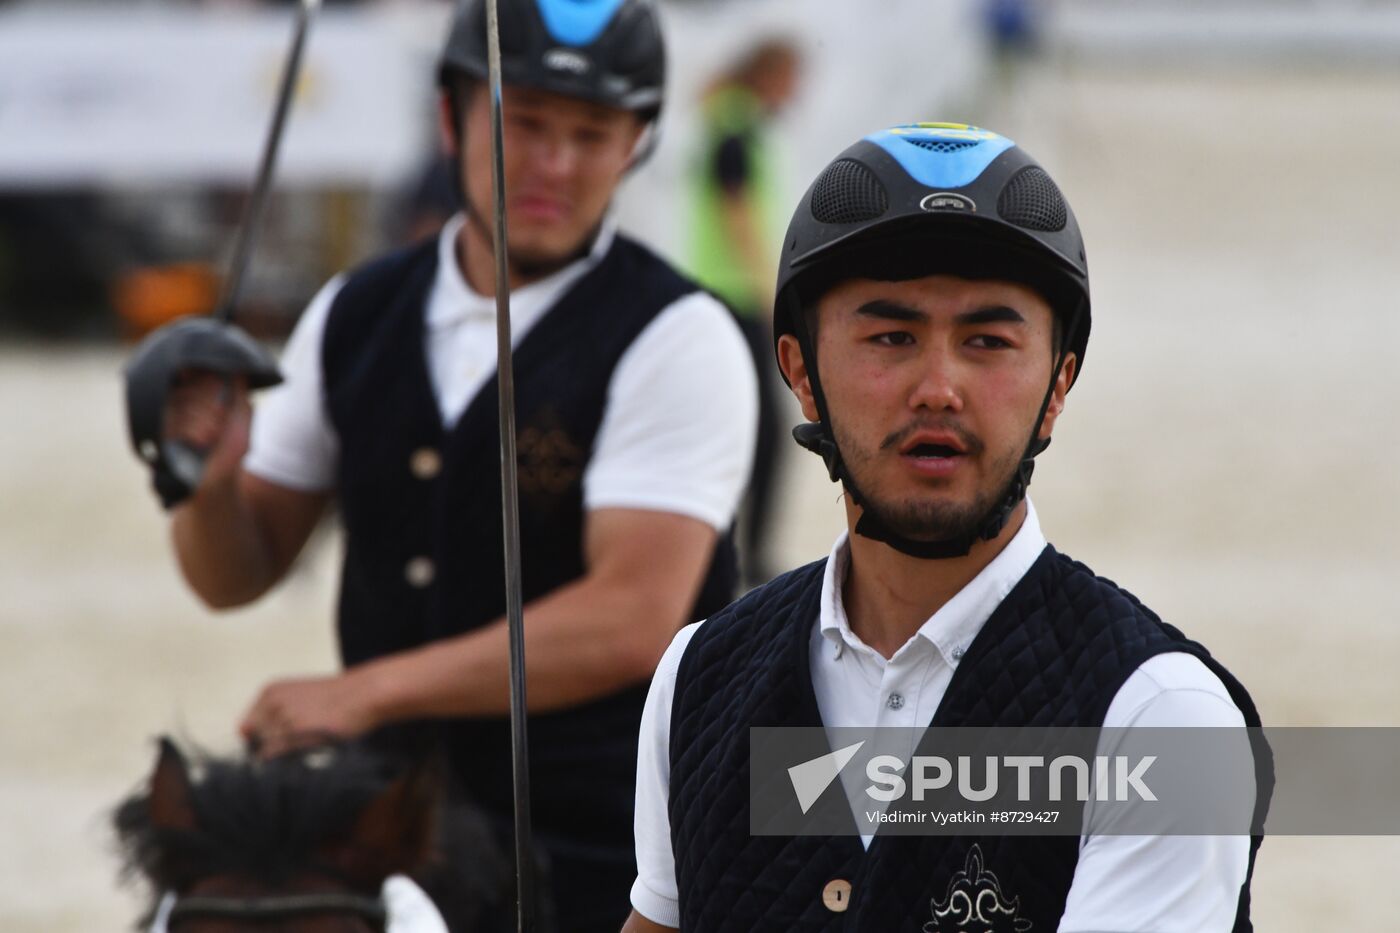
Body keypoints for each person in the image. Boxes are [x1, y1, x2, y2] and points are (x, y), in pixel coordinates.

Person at [159, 1, 756, 930]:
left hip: (622, 851)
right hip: (398, 842)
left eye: (592, 133)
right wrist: (206, 481)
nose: (556, 164)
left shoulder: (680, 335)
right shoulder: (353, 311)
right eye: (525, 124)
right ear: (451, 120)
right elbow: (233, 574)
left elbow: (633, 619)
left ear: (637, 144)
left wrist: (364, 692)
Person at [622, 123, 1266, 932]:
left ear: (1058, 385)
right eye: (891, 336)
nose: (938, 387)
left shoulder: (1162, 720)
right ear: (801, 372)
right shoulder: (697, 677)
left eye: (988, 341)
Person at [684, 39, 800, 585]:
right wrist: (769, 285)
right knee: (764, 432)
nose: (796, 92)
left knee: (747, 429)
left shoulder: (731, 123)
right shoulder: (735, 128)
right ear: (768, 73)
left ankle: (735, 552)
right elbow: (737, 216)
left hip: (726, 293)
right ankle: (742, 556)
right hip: (734, 296)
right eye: (792, 78)